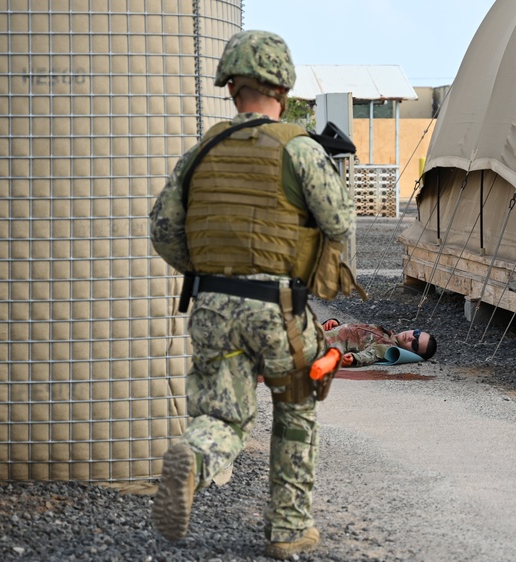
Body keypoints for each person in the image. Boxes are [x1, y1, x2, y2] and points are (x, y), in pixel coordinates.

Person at [148, 30, 358, 560]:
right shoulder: (301, 148)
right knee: (296, 403)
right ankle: (288, 528)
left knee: (221, 414)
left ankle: (194, 457)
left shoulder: (202, 149)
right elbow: (339, 221)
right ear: (283, 90)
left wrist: (209, 270)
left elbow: (163, 230)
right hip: (279, 309)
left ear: (231, 88)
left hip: (213, 304)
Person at [321, 319, 437, 367]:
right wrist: (335, 322)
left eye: (415, 345)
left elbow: (372, 354)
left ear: (412, 354)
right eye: (416, 334)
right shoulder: (387, 333)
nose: (411, 338)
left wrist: (354, 359)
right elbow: (353, 330)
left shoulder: (388, 346)